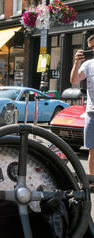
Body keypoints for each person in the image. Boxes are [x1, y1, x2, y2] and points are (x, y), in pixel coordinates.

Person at [71, 34, 94, 175]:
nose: (93, 50)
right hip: (92, 112)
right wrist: (76, 62)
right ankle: (92, 181)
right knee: (92, 149)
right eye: (91, 48)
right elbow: (74, 80)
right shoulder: (88, 64)